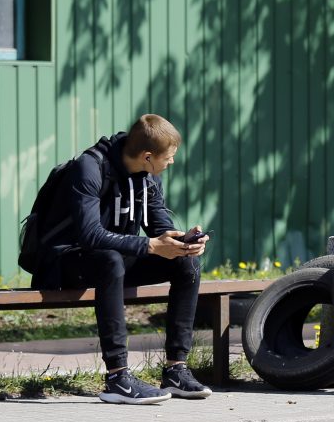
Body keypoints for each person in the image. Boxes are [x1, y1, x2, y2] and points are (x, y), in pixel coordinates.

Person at [33, 114, 211, 405]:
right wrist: (151, 246)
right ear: (148, 156)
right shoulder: (89, 168)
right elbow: (90, 236)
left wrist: (182, 242)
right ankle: (118, 377)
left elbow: (158, 226)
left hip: (115, 258)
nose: (172, 163)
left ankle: (175, 369)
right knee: (110, 260)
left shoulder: (149, 177)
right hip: (67, 262)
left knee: (185, 262)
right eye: (169, 157)